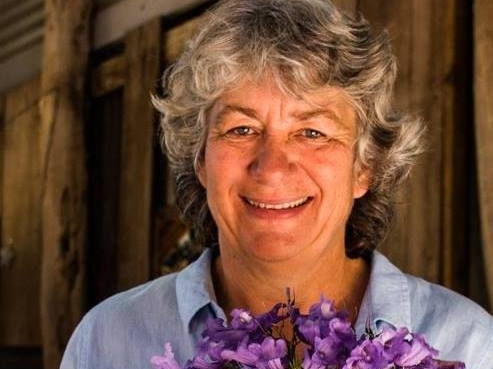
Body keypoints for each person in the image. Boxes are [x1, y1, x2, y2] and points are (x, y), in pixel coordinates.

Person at [60, 0, 493, 368]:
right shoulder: (107, 343)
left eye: (312, 133)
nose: (272, 168)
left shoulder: (469, 345)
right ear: (200, 160)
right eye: (241, 130)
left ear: (366, 167)